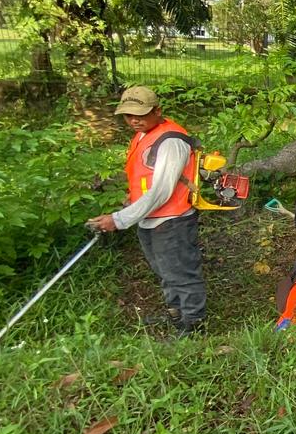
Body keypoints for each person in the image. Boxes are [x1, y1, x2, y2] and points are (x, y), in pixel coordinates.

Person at [88, 86, 208, 338]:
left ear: (157, 111)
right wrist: (129, 204)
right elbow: (144, 180)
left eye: (140, 114)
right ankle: (176, 314)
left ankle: (194, 325)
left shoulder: (171, 140)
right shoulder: (143, 135)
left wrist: (120, 220)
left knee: (181, 273)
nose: (133, 120)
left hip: (172, 220)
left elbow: (162, 190)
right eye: (128, 115)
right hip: (148, 219)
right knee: (164, 272)